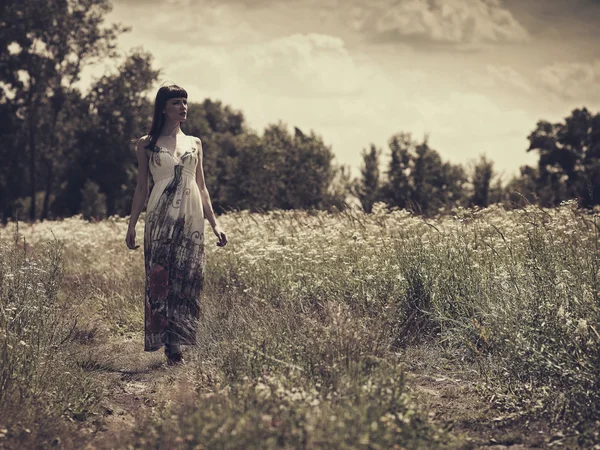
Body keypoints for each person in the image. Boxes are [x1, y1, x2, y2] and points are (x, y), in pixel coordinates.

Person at [125, 84, 227, 366]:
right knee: (161, 278)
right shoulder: (147, 143)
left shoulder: (195, 142)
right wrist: (132, 225)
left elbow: (202, 187)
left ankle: (177, 340)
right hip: (160, 217)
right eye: (176, 102)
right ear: (163, 108)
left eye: (184, 102)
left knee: (187, 277)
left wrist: (215, 225)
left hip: (191, 217)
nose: (183, 107)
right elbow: (141, 188)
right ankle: (170, 346)